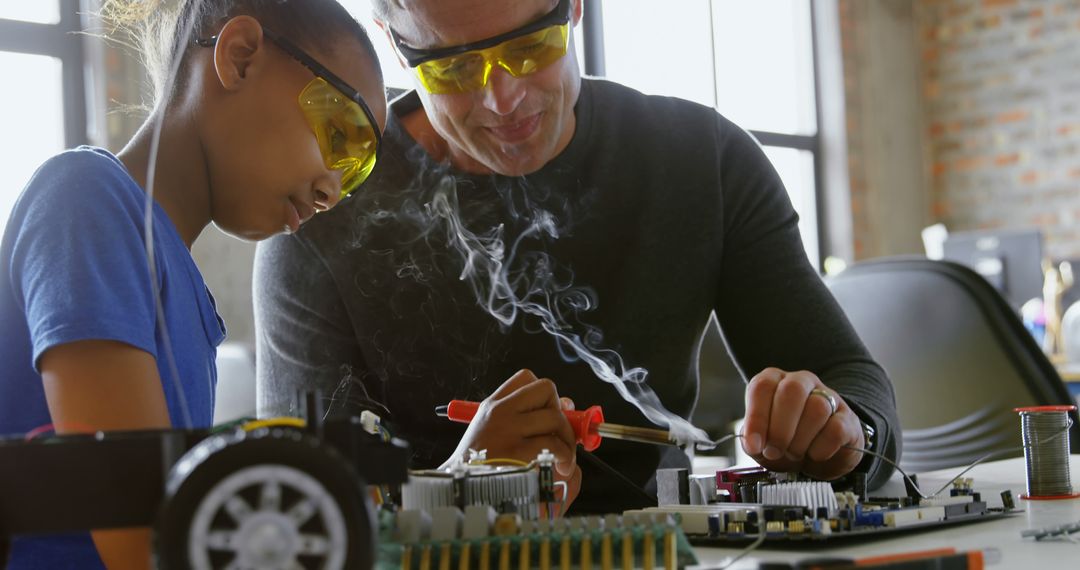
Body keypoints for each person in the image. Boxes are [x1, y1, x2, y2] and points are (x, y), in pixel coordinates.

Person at [254, 0, 901, 514]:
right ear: (396, 46)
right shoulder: (322, 210)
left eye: (531, 48)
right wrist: (459, 488)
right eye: (452, 69)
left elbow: (849, 377)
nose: (503, 100)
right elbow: (299, 504)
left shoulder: (701, 162)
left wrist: (844, 434)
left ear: (575, 10)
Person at [0, 0, 386, 566]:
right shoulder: (88, 200)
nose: (334, 192)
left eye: (358, 172)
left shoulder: (184, 290)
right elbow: (146, 544)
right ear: (241, 56)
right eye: (340, 136)